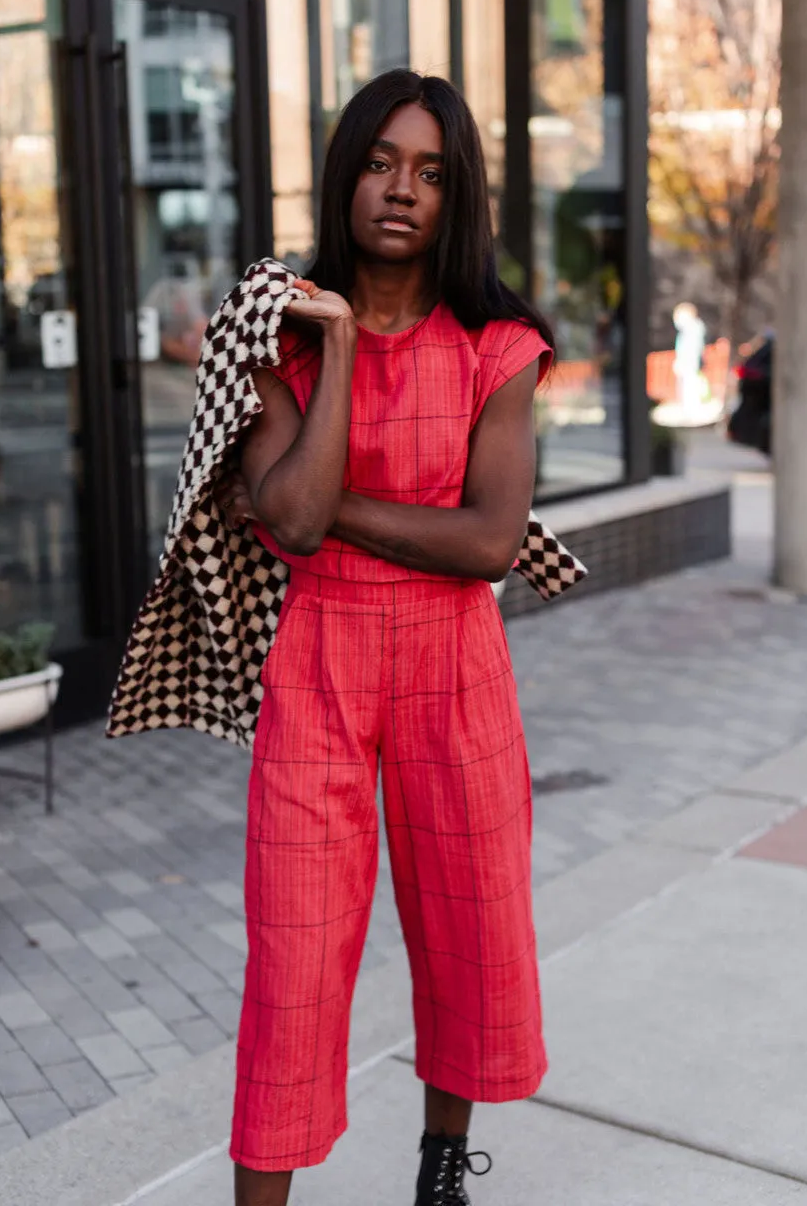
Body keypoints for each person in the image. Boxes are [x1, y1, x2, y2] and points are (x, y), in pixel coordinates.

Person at [217, 69, 554, 1206]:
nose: (400, 190)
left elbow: (490, 542)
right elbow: (294, 521)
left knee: (464, 925)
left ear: (456, 195)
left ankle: (440, 1167)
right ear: (342, 172)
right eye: (378, 162)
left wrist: (311, 506)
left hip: (456, 665)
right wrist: (347, 347)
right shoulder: (277, 334)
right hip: (318, 665)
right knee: (296, 961)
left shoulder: (497, 346)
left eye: (429, 170)